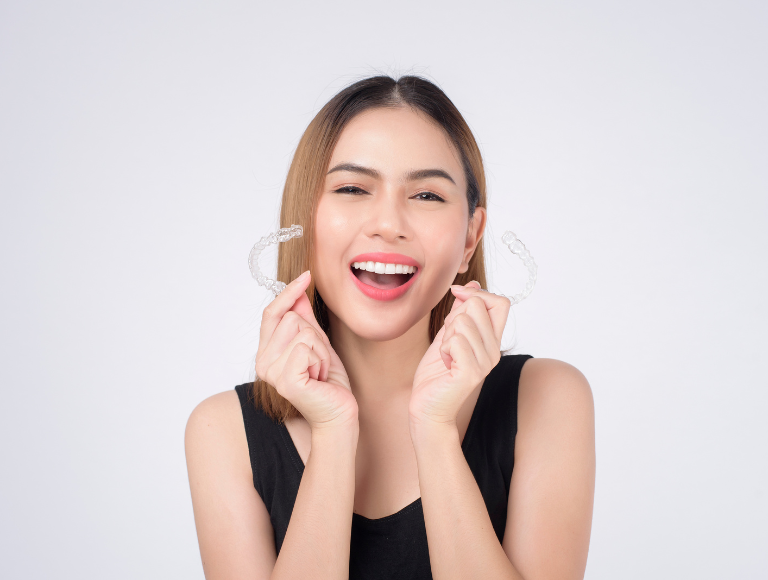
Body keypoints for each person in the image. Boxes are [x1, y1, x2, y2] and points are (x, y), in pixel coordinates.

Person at [185, 75, 595, 580]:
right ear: (304, 219)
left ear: (470, 238)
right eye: (352, 188)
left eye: (426, 196)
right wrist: (334, 434)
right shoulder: (222, 432)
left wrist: (436, 431)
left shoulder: (547, 399)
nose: (388, 223)